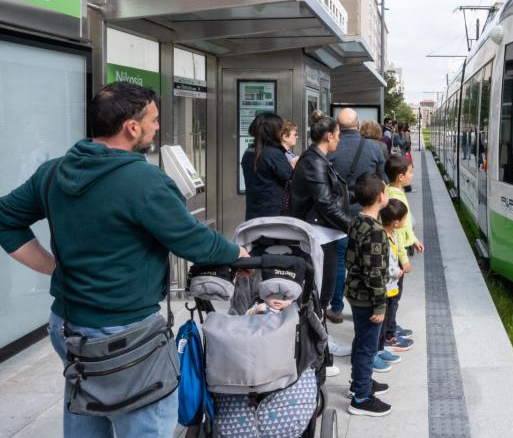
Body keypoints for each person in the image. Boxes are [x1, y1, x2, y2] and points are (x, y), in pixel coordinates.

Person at [0, 82, 246, 437]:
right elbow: (195, 242)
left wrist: (52, 267)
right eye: (154, 120)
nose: (157, 127)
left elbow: (6, 218)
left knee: (88, 409)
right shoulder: (144, 181)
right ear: (132, 127)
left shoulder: (54, 171)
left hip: (67, 326)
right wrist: (237, 252)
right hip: (127, 336)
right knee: (147, 422)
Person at [287, 111, 350, 373]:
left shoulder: (318, 159)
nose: (339, 140)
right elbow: (324, 202)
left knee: (323, 289)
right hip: (318, 234)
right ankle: (317, 353)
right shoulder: (314, 162)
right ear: (328, 136)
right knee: (320, 291)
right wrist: (354, 225)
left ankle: (322, 341)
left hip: (325, 233)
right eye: (337, 136)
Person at [326, 108, 387, 324]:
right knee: (368, 260)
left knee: (341, 261)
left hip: (337, 213)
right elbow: (382, 179)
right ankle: (366, 306)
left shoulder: (330, 148)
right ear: (358, 124)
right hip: (367, 214)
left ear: (337, 126)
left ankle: (336, 308)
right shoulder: (374, 148)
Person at [345, 173, 393, 417]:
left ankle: (359, 382)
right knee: (367, 346)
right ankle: (361, 397)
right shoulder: (375, 230)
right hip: (367, 298)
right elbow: (373, 272)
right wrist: (379, 305)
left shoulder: (358, 220)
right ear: (379, 197)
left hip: (354, 293)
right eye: (385, 190)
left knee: (360, 339)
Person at [383, 154, 421, 351]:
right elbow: (396, 231)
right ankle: (389, 335)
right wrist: (404, 259)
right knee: (393, 296)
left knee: (393, 297)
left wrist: (413, 239)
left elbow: (403, 227)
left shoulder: (392, 190)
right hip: (397, 255)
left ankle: (391, 326)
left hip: (400, 249)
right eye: (410, 172)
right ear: (400, 176)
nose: (412, 175)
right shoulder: (396, 197)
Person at [375, 199, 409, 364]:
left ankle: (381, 348)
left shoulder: (392, 234)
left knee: (387, 319)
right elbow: (388, 264)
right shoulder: (383, 239)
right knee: (381, 323)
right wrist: (399, 272)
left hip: (391, 287)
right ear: (396, 222)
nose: (405, 221)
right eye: (403, 219)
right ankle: (377, 350)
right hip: (385, 288)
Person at [241, 113, 293, 220]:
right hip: (273, 215)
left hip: (253, 213)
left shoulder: (249, 151)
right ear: (273, 130)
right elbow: (291, 179)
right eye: (279, 128)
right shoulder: (273, 154)